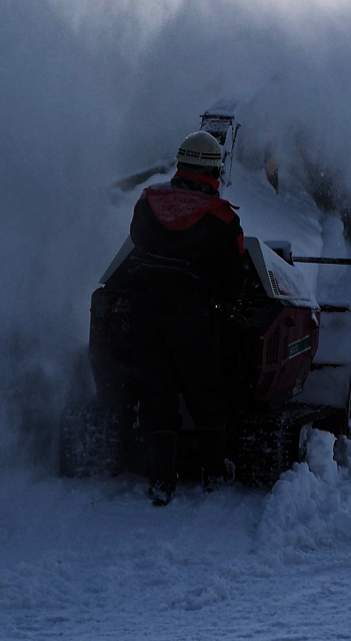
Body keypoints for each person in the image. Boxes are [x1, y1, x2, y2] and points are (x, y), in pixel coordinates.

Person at [128, 130, 245, 506]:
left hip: (145, 312)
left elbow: (137, 244)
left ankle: (162, 480)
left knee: (155, 394)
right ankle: (213, 472)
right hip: (193, 315)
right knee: (206, 390)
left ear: (180, 164)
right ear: (214, 169)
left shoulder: (148, 202)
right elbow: (233, 281)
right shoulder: (223, 219)